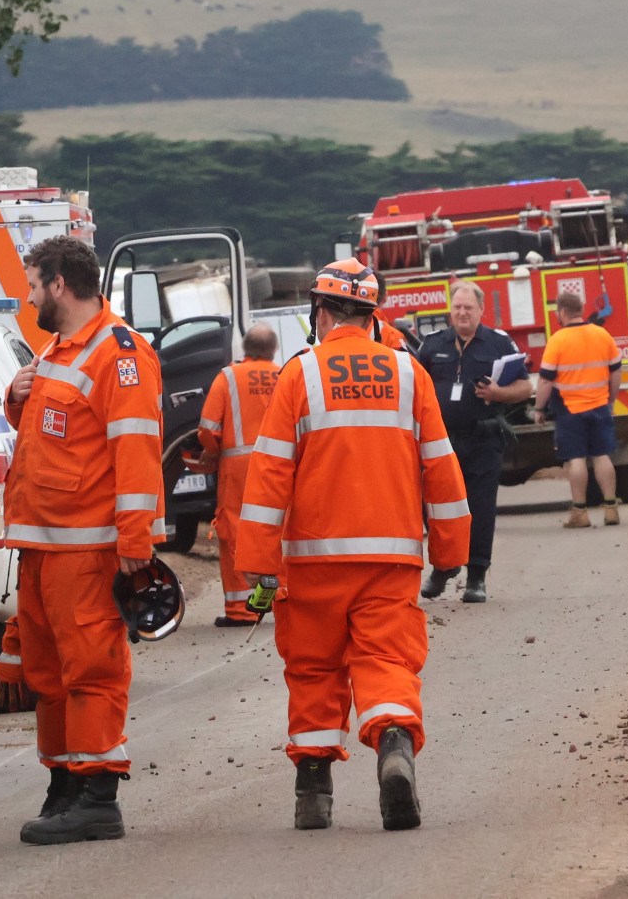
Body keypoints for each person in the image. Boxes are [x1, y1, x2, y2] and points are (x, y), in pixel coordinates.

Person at [235, 258, 470, 832]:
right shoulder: (410, 374)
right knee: (387, 660)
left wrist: (258, 565)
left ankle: (313, 792)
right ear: (371, 315)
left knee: (314, 668)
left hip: (312, 563)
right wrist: (451, 550)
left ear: (320, 311)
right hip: (389, 558)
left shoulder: (299, 374)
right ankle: (393, 742)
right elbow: (440, 466)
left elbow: (269, 476)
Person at [2, 235, 164, 846]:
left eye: (32, 284)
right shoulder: (57, 349)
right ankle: (65, 783)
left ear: (59, 286)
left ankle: (99, 795)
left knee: (92, 670)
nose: (28, 295)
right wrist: (20, 397)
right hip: (45, 547)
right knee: (48, 674)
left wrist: (134, 544)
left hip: (89, 549)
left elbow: (137, 452)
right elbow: (53, 438)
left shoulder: (118, 354)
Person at [415, 281, 532, 602]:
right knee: (437, 510)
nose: (462, 313)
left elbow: (525, 388)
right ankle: (443, 568)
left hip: (483, 439)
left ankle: (476, 577)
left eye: (468, 307)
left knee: (480, 509)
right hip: (441, 443)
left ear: (481, 310)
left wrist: (498, 394)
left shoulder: (498, 344)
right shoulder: (432, 344)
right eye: (457, 307)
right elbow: (415, 387)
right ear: (450, 311)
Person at [200, 322, 281, 626]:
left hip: (237, 470)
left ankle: (242, 610)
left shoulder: (228, 377)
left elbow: (208, 428)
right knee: (277, 532)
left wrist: (211, 452)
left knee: (234, 533)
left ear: (244, 349)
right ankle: (275, 599)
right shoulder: (286, 374)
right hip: (278, 467)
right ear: (273, 350)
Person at [534, 287, 624, 529]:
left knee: (576, 459)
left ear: (562, 312)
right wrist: (610, 400)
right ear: (581, 310)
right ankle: (611, 509)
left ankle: (580, 513)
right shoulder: (602, 335)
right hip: (600, 406)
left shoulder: (557, 340)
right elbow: (616, 373)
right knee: (602, 455)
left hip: (570, 411)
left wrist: (539, 408)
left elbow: (545, 380)